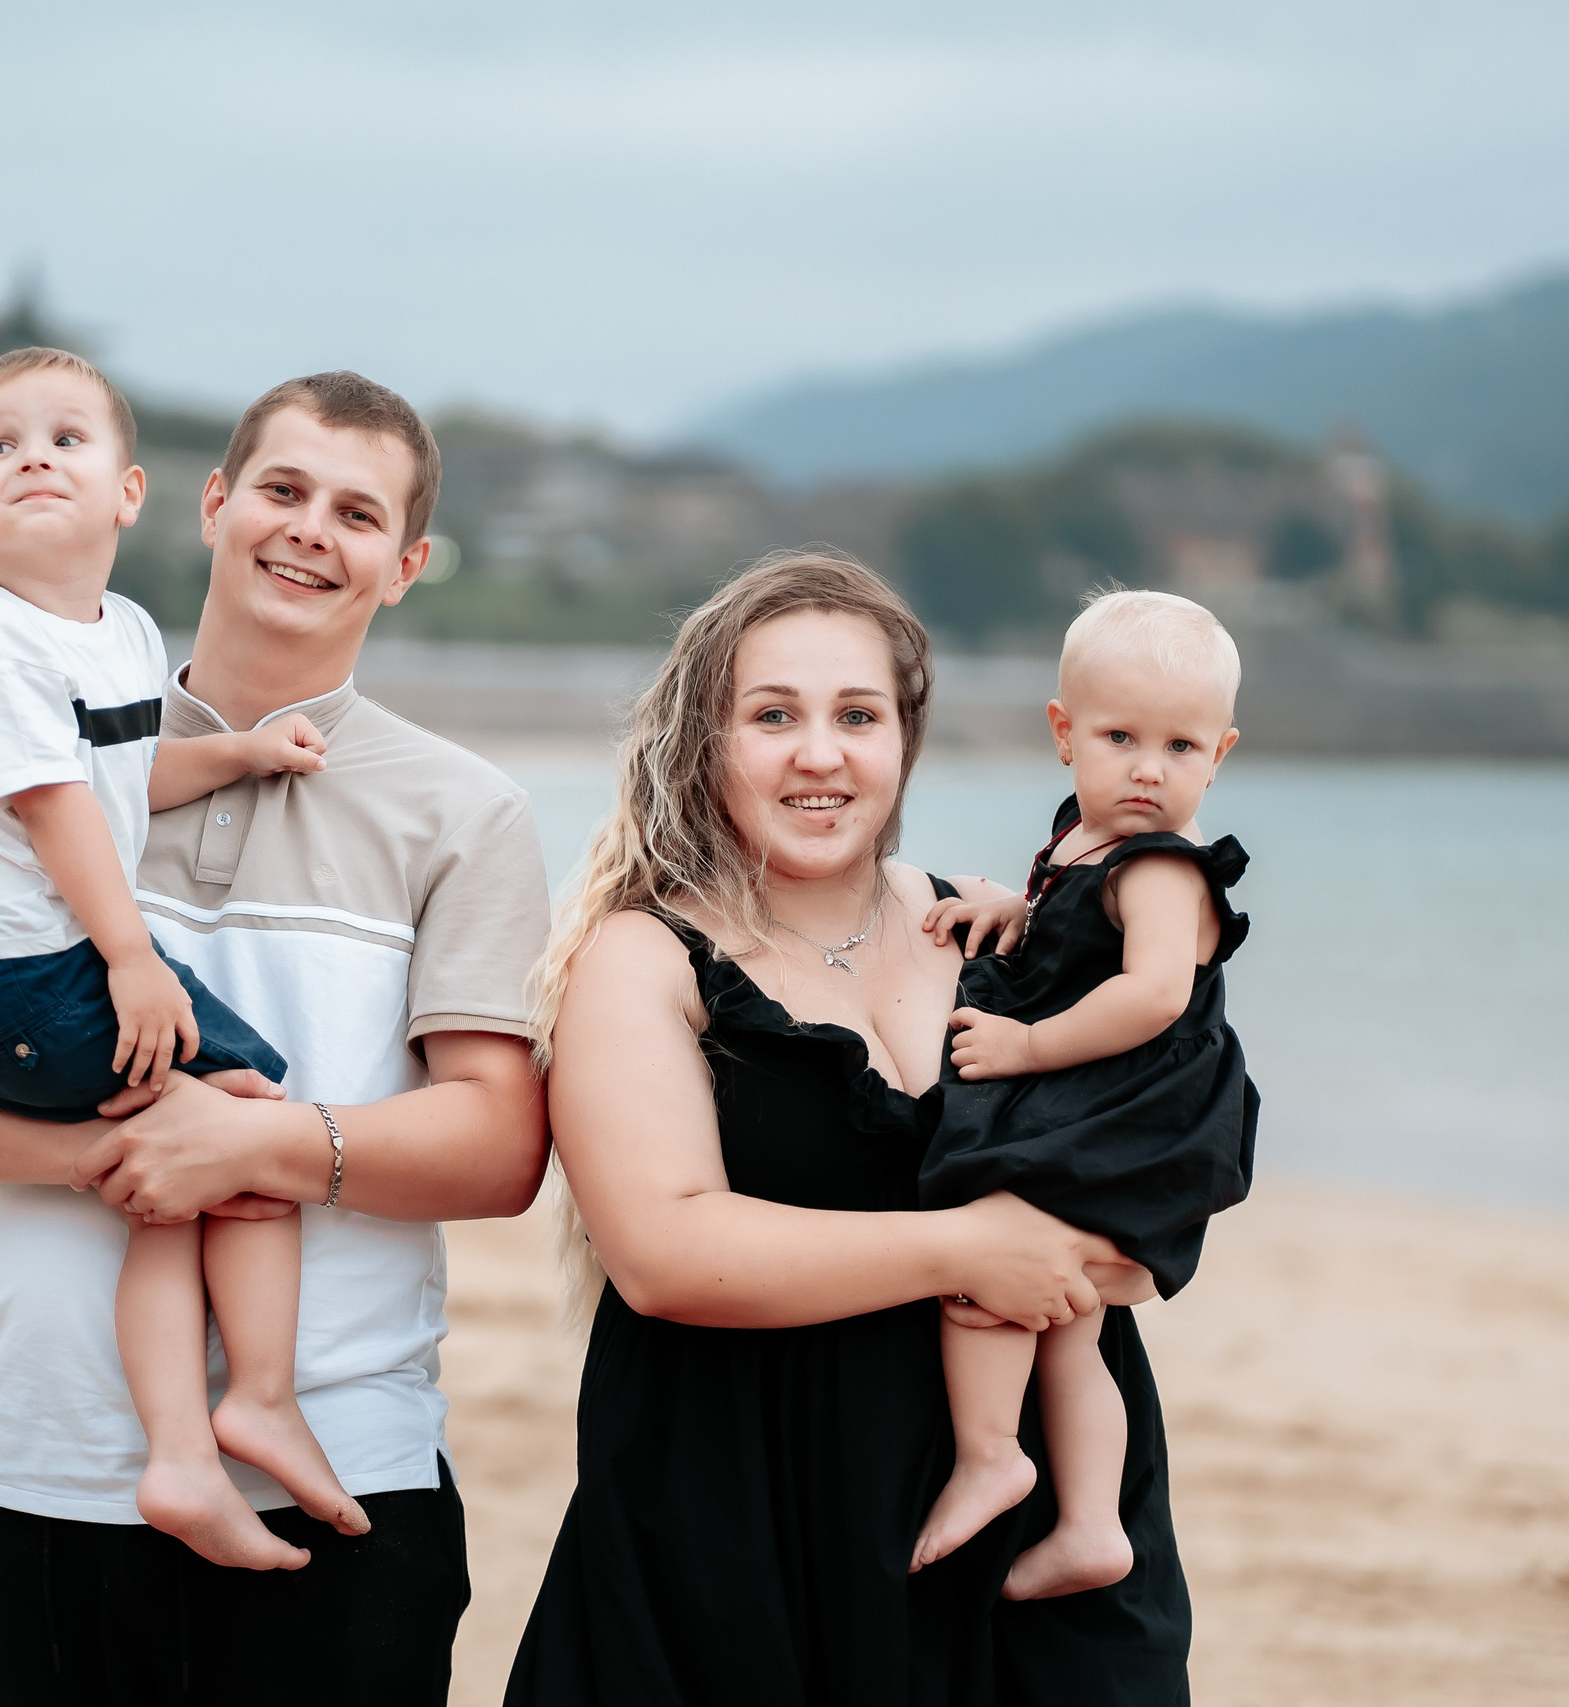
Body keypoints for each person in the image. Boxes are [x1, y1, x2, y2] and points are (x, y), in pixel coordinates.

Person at [0, 370, 551, 1706]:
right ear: (214, 505)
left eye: (356, 513)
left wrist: (251, 1142)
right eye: (282, 490)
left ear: (401, 568)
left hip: (342, 1477)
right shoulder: (27, 737)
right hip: (16, 1466)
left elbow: (501, 1143)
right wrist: (124, 1160)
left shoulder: (468, 810)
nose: (307, 530)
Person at [505, 553, 1189, 1707]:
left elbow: (1161, 1144)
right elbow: (663, 1255)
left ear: (905, 741)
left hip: (1030, 1541)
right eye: (773, 715)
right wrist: (967, 1252)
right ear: (703, 743)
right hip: (746, 1521)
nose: (819, 754)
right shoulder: (639, 957)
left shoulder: (999, 931)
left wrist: (1118, 1245)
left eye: (856, 715)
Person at [0, 345, 371, 1572]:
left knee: (205, 1159)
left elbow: (118, 779)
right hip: (14, 985)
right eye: (0, 449)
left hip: (43, 977)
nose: (35, 460)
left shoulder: (119, 634)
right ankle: (247, 1404)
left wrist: (237, 756)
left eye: (68, 439)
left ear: (130, 492)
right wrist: (133, 959)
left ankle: (183, 1446)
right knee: (250, 1109)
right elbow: (57, 811)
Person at [909, 588, 1257, 1599]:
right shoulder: (1084, 842)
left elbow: (1150, 995)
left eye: (1182, 749)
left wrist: (1024, 1047)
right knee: (1067, 1322)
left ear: (1220, 755)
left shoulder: (1164, 871)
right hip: (1100, 1112)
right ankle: (1093, 1525)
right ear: (1064, 735)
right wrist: (1010, 909)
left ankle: (990, 1457)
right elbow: (1071, 926)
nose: (1150, 769)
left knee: (988, 1261)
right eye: (1120, 737)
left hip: (1132, 1121)